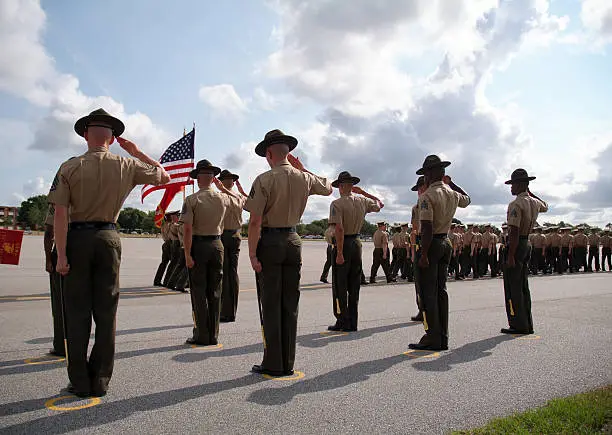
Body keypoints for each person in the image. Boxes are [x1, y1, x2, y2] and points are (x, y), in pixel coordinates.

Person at [49, 108, 170, 397]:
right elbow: (163, 177)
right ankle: (101, 379)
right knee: (106, 312)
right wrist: (138, 151)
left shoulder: (69, 167)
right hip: (108, 237)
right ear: (113, 138)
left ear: (85, 135)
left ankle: (79, 380)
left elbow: (60, 214)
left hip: (77, 238)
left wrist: (62, 255)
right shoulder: (126, 165)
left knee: (77, 312)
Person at [245, 129, 332, 377]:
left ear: (269, 153)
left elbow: (255, 221)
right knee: (290, 303)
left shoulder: (264, 179)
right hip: (294, 241)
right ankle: (287, 362)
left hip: (271, 241)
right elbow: (327, 188)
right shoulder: (303, 178)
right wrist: (302, 167)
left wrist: (252, 254)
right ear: (289, 153)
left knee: (271, 303)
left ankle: (273, 363)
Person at [410, 155, 470, 351]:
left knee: (428, 294)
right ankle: (442, 336)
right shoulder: (452, 193)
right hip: (446, 242)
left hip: (432, 244)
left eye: (426, 173)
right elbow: (467, 200)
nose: (424, 177)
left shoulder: (428, 196)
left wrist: (424, 254)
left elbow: (426, 228)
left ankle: (431, 336)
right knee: (441, 291)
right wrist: (452, 184)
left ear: (430, 174)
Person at [182, 160, 240, 345]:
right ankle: (214, 334)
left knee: (199, 292)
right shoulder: (223, 198)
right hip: (217, 245)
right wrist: (223, 188)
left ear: (198, 178)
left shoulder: (192, 199)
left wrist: (187, 254)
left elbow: (188, 230)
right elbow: (240, 201)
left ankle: (201, 334)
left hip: (199, 246)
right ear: (213, 178)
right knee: (215, 291)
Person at [328, 171, 383, 332]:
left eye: (339, 186)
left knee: (340, 285)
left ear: (342, 186)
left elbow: (339, 228)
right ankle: (353, 321)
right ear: (352, 186)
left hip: (343, 243)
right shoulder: (362, 201)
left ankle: (342, 320)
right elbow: (379, 205)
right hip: (356, 243)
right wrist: (363, 192)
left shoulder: (337, 204)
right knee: (354, 285)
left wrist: (338, 253)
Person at [501, 168, 548, 335]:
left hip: (517, 244)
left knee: (513, 287)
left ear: (521, 185)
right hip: (526, 242)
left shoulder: (515, 204)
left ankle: (517, 324)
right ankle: (527, 322)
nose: (511, 188)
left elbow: (513, 231)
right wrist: (530, 192)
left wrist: (511, 255)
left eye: (513, 184)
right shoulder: (534, 203)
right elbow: (546, 206)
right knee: (523, 286)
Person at [218, 169, 248, 322]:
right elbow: (251, 203)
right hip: (235, 235)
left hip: (223, 235)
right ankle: (230, 312)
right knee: (232, 272)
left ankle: (224, 310)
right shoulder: (239, 197)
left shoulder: (219, 196)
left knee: (223, 273)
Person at [43, 202, 65, 357]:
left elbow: (49, 232)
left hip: (62, 253)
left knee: (60, 305)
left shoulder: (60, 197)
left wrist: (48, 259)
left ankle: (61, 346)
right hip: (87, 249)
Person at [410, 176, 427, 321]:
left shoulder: (433, 201)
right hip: (420, 243)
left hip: (432, 241)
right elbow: (414, 230)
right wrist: (414, 250)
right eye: (418, 189)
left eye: (422, 188)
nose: (419, 192)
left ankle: (432, 310)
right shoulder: (416, 208)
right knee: (419, 281)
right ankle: (422, 309)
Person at [153, 213, 173, 286]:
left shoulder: (163, 225)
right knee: (174, 264)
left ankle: (157, 280)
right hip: (170, 244)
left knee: (163, 263)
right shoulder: (170, 225)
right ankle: (168, 281)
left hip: (165, 244)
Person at [162, 212, 181, 288]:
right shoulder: (174, 225)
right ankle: (171, 281)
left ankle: (167, 281)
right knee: (175, 263)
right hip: (175, 243)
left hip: (169, 242)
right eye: (177, 215)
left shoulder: (166, 225)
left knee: (169, 263)